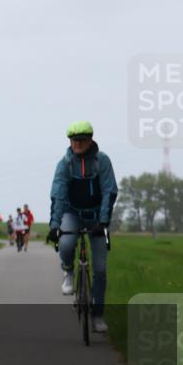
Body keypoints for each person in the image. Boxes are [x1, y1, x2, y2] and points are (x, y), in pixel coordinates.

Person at [45, 121, 117, 333]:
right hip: (72, 213)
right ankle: (68, 271)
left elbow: (109, 192)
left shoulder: (102, 161)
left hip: (96, 217)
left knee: (100, 269)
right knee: (66, 243)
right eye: (73, 140)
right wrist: (55, 225)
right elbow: (58, 195)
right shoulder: (64, 164)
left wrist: (103, 222)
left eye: (81, 140)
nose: (77, 144)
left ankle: (97, 316)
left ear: (90, 140)